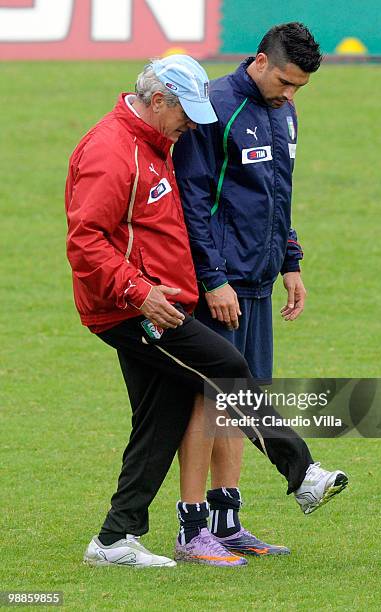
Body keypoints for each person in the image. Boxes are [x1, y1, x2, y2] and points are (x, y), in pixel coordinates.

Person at [66, 54, 346, 570]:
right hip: (134, 308)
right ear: (157, 102)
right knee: (227, 368)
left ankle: (113, 539)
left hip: (162, 301)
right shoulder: (112, 150)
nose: (191, 125)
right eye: (185, 113)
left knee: (161, 418)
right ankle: (301, 470)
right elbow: (85, 241)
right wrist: (139, 291)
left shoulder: (156, 143)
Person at [173, 23, 347, 557]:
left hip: (259, 277)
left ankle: (227, 523)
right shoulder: (216, 109)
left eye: (300, 88)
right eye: (286, 82)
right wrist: (213, 278)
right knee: (208, 400)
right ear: (259, 61)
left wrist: (290, 260)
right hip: (221, 282)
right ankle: (191, 528)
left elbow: (279, 194)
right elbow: (193, 200)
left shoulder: (285, 113)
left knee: (240, 400)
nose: (291, 94)